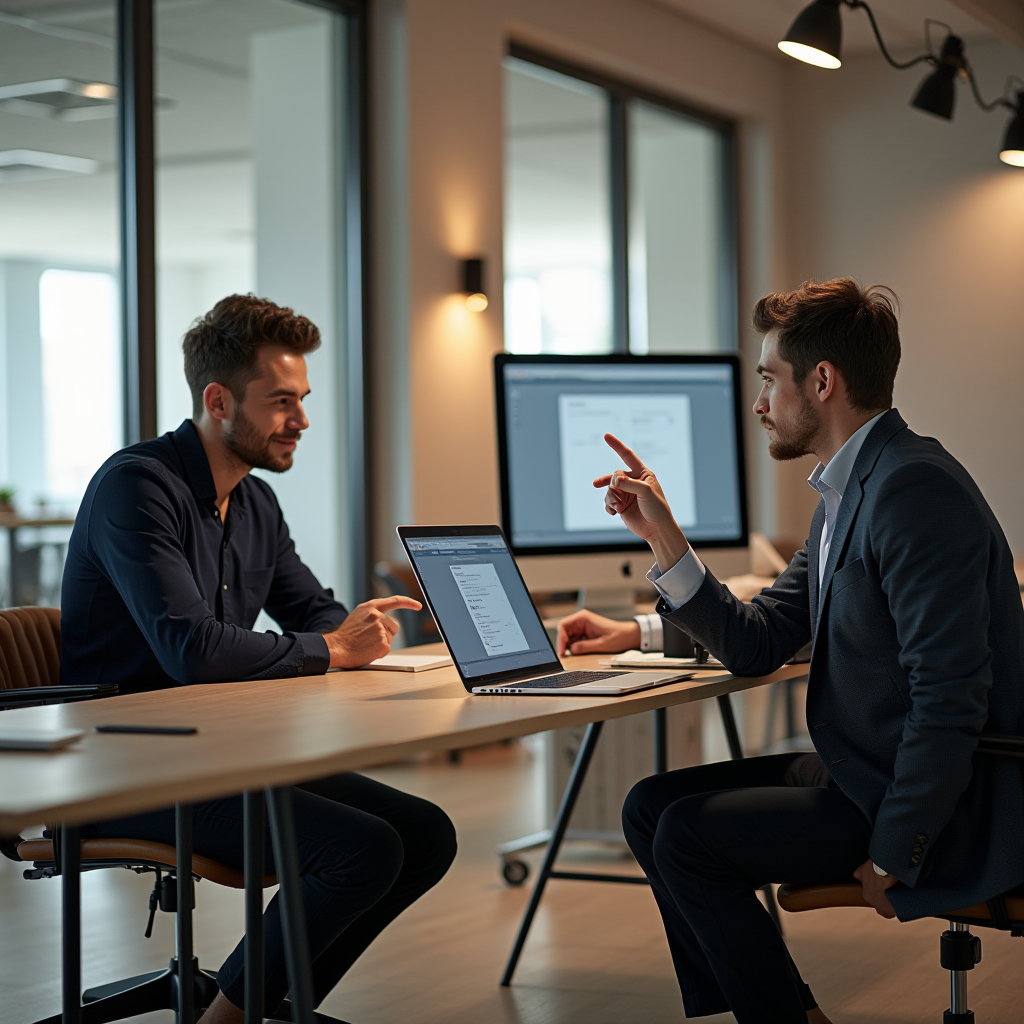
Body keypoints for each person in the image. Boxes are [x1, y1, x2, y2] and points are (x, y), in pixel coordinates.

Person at [555, 278, 1024, 1023]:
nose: (759, 401)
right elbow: (759, 642)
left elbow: (950, 695)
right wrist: (666, 539)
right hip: (867, 765)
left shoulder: (911, 492)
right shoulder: (853, 491)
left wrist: (899, 847)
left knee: (687, 837)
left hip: (941, 797)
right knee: (649, 807)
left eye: (769, 378)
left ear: (824, 381)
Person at [61, 294, 457, 1023]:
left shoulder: (254, 503)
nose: (301, 420)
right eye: (281, 402)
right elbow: (191, 648)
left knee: (425, 834)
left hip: (223, 753)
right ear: (217, 400)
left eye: (302, 400)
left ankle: (260, 1004)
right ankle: (233, 1018)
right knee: (361, 850)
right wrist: (332, 649)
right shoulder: (137, 488)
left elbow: (314, 610)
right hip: (124, 767)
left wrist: (350, 633)